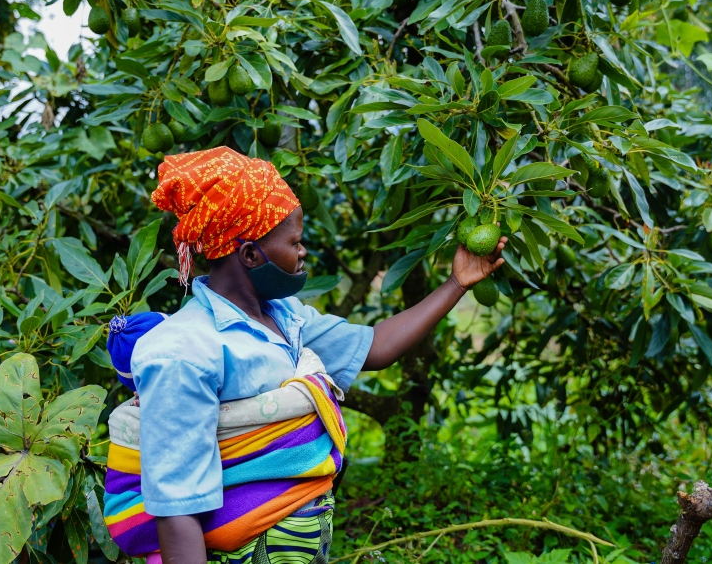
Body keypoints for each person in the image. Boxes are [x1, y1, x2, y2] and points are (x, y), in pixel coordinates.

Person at [129, 147, 506, 564]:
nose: (303, 252)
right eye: (295, 242)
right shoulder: (184, 351)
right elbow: (178, 505)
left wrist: (457, 283)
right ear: (251, 254)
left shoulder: (284, 317)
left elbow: (375, 347)